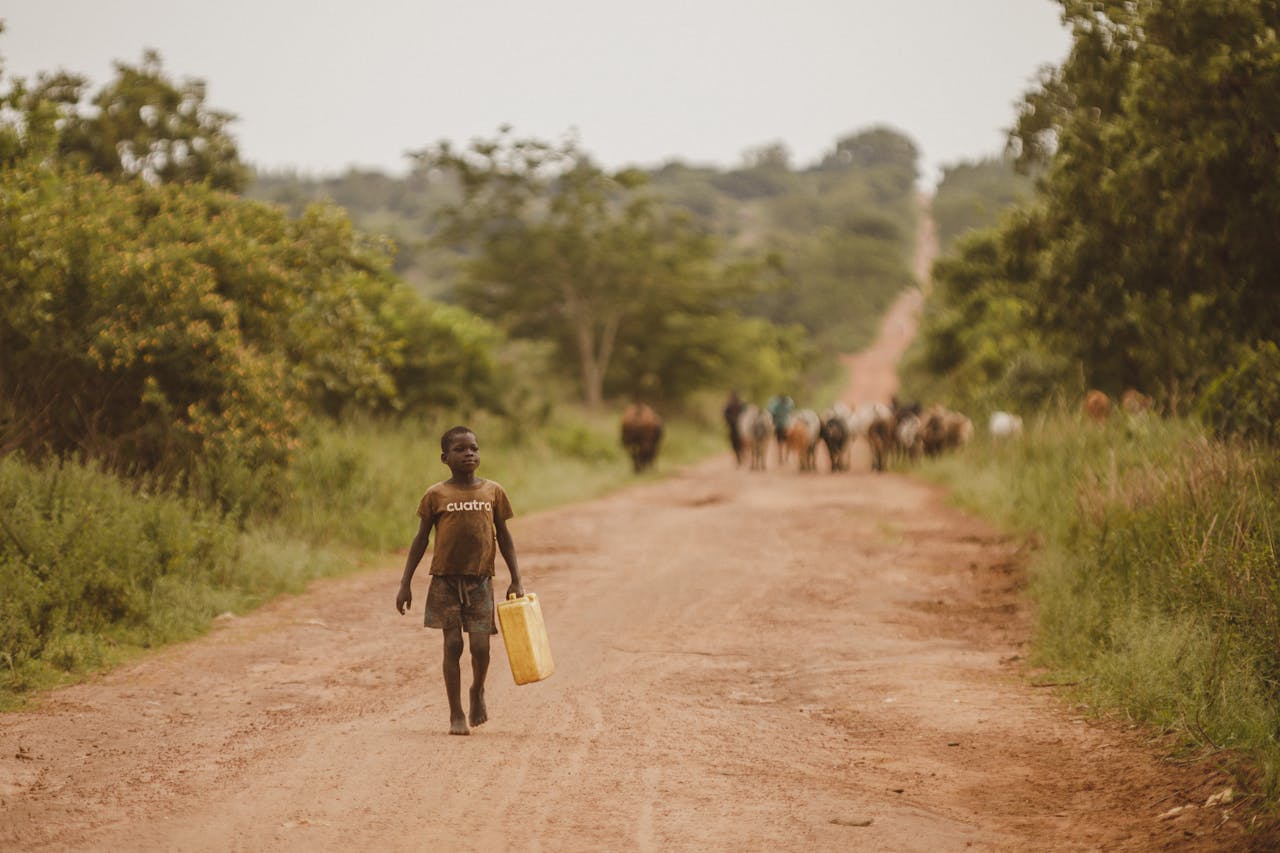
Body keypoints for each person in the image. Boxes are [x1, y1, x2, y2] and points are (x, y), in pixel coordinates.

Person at [396, 425, 523, 736]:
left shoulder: (493, 491)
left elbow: (504, 538)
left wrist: (516, 579)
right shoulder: (435, 495)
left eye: (474, 448)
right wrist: (405, 582)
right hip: (444, 582)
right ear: (445, 457)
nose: (469, 453)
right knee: (452, 645)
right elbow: (421, 539)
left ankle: (477, 690)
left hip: (481, 581)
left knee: (481, 648)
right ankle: (456, 712)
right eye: (461, 449)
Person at [723, 390, 745, 466]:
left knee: (743, 442)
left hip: (742, 427)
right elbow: (725, 415)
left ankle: (741, 456)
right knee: (734, 443)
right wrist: (731, 420)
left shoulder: (741, 405)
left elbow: (745, 415)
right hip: (732, 426)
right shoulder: (729, 405)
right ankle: (738, 457)